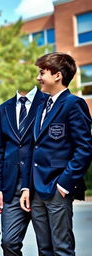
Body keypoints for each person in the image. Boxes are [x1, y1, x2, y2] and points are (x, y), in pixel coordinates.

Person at [20, 52, 92, 256]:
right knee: (44, 249)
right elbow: (32, 149)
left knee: (62, 249)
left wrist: (64, 184)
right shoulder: (42, 105)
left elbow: (84, 148)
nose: (38, 77)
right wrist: (27, 186)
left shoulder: (73, 104)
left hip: (56, 189)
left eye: (42, 72)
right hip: (36, 190)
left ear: (58, 75)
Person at [0, 82, 47, 255]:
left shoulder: (47, 102)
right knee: (9, 243)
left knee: (46, 246)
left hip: (39, 184)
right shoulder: (3, 109)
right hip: (11, 186)